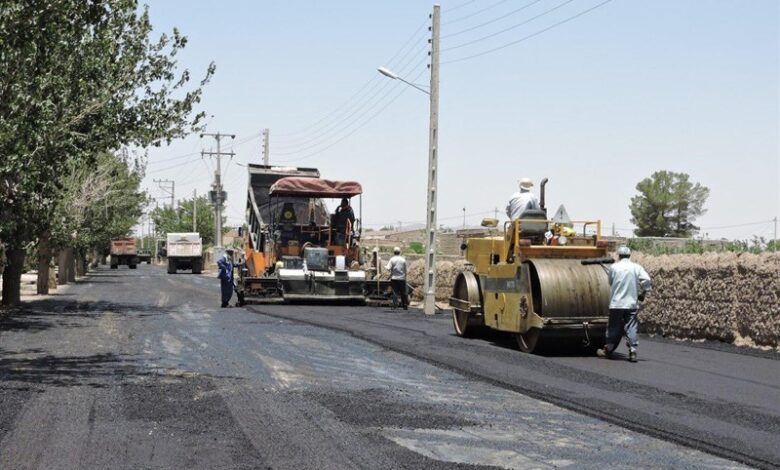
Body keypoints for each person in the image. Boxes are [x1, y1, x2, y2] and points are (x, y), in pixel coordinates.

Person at [597, 246, 652, 362]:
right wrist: (643, 293)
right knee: (631, 326)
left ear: (619, 255)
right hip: (631, 304)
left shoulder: (614, 267)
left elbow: (611, 282)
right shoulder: (636, 267)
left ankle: (609, 349)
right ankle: (632, 351)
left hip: (616, 304)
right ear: (629, 255)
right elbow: (647, 280)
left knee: (614, 326)